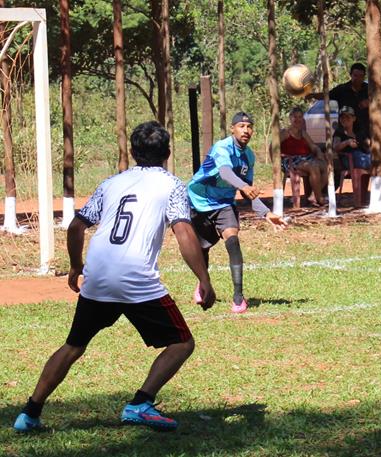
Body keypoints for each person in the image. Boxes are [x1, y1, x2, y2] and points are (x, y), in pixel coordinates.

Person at [12, 121, 216, 433]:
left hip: (99, 274)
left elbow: (77, 226)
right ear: (168, 153)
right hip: (136, 278)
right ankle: (140, 404)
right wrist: (204, 278)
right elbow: (183, 230)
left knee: (73, 345)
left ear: (133, 153)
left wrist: (76, 266)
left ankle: (29, 413)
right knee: (182, 343)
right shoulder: (172, 185)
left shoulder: (112, 183)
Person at [188, 112, 286, 314]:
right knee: (202, 248)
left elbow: (248, 190)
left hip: (224, 203)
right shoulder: (222, 147)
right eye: (241, 126)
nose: (246, 130)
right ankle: (203, 284)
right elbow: (225, 172)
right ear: (232, 129)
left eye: (249, 126)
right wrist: (243, 186)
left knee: (232, 240)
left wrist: (266, 214)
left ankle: (238, 297)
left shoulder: (249, 156)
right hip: (199, 201)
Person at [280, 107, 328, 206]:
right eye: (295, 117)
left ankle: (313, 195)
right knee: (313, 166)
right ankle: (319, 199)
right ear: (290, 118)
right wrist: (275, 162)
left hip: (306, 159)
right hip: (291, 160)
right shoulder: (285, 132)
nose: (297, 120)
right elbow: (273, 147)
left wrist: (318, 151)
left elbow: (313, 146)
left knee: (327, 167)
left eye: (300, 117)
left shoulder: (303, 133)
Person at [309, 63, 369, 136]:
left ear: (364, 76)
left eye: (361, 76)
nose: (358, 79)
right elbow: (326, 95)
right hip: (344, 132)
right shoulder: (342, 89)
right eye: (355, 75)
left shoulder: (369, 89)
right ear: (350, 75)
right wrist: (313, 95)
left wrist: (370, 102)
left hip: (365, 132)